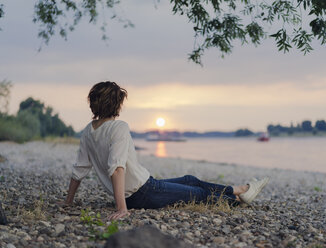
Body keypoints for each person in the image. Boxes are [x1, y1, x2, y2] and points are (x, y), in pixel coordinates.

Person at [62, 81, 269, 220]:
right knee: (197, 193)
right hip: (141, 193)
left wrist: (69, 202)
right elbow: (116, 169)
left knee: (190, 179)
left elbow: (80, 169)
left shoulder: (89, 131)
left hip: (146, 185)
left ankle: (238, 190)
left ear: (93, 103)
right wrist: (122, 208)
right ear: (117, 104)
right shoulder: (119, 127)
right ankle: (237, 200)